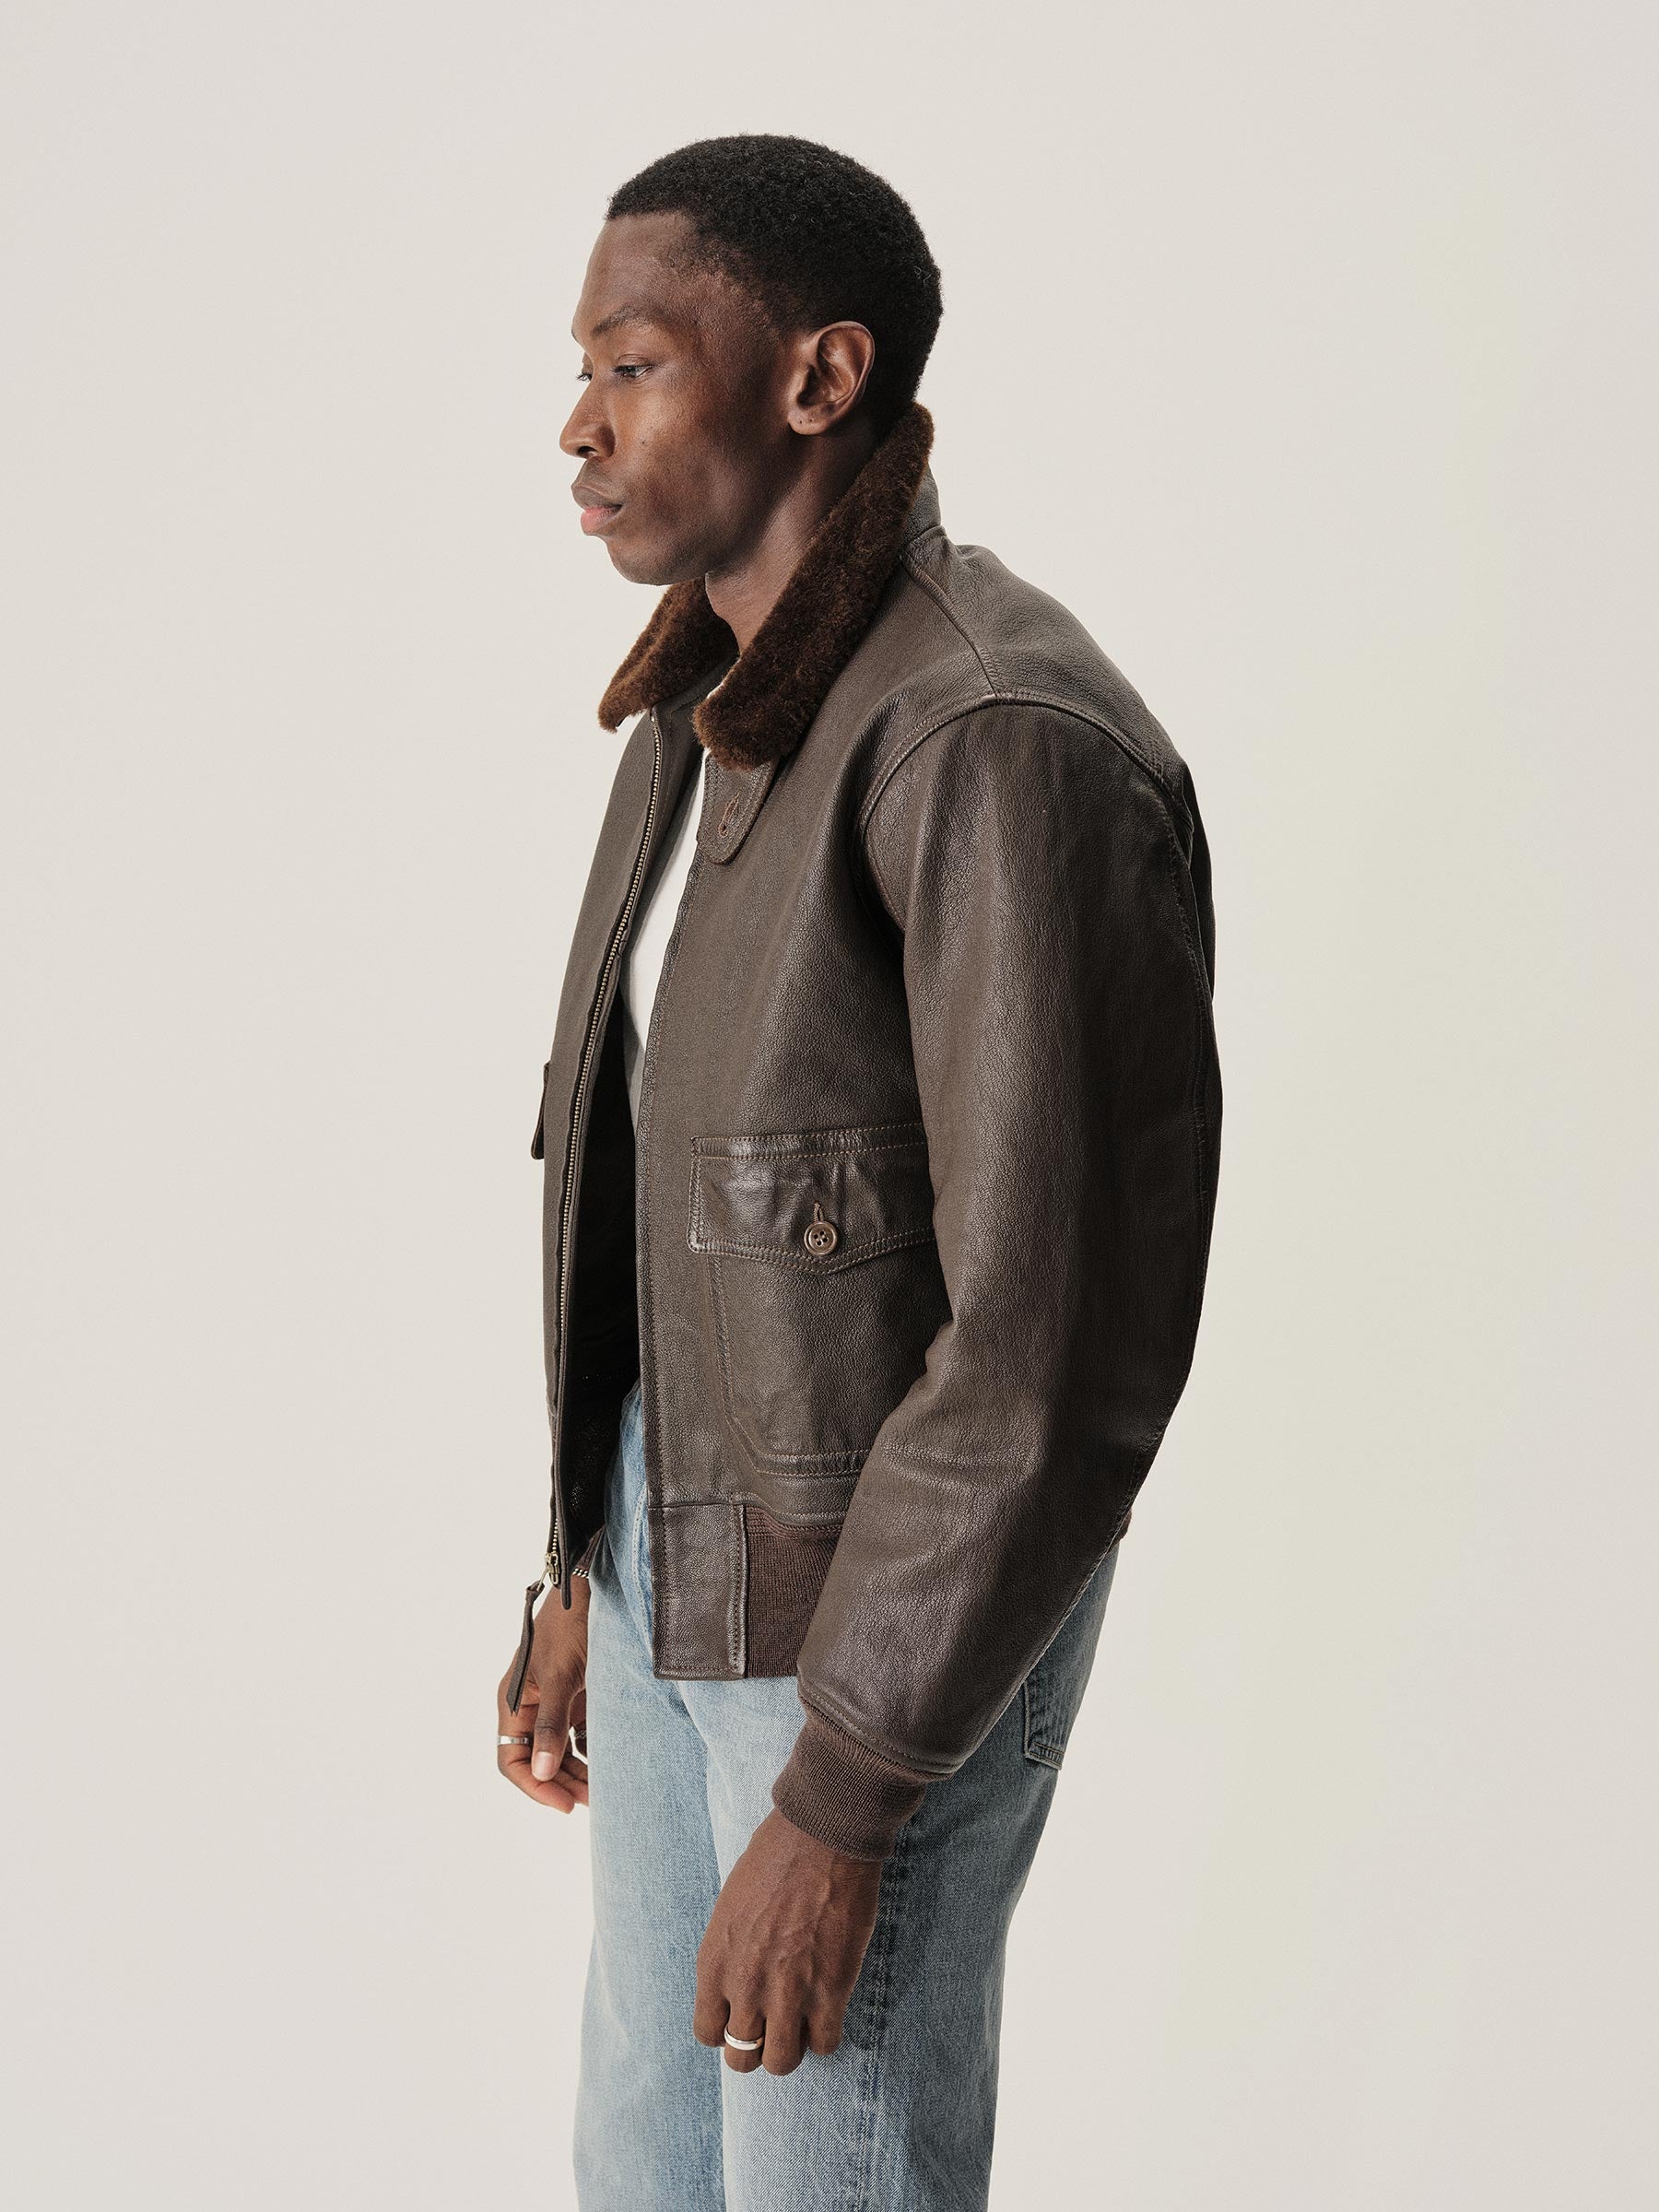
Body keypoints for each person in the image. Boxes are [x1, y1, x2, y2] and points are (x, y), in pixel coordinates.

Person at [495, 133, 1223, 2210]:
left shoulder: (996, 734)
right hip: (677, 1570)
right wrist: (588, 1560)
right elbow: (673, 1191)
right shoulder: (707, 707)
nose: (578, 425)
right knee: (645, 2173)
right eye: (581, 369)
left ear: (821, 378)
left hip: (871, 1643)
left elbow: (1048, 1349)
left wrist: (842, 1796)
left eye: (632, 364)